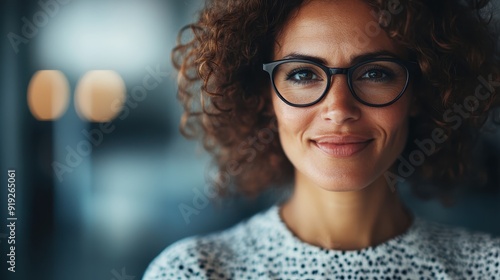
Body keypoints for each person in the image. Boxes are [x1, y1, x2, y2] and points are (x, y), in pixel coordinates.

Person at [144, 0, 500, 278]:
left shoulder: (487, 269)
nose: (339, 108)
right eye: (302, 75)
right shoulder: (195, 272)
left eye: (375, 73)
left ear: (420, 93)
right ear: (264, 97)